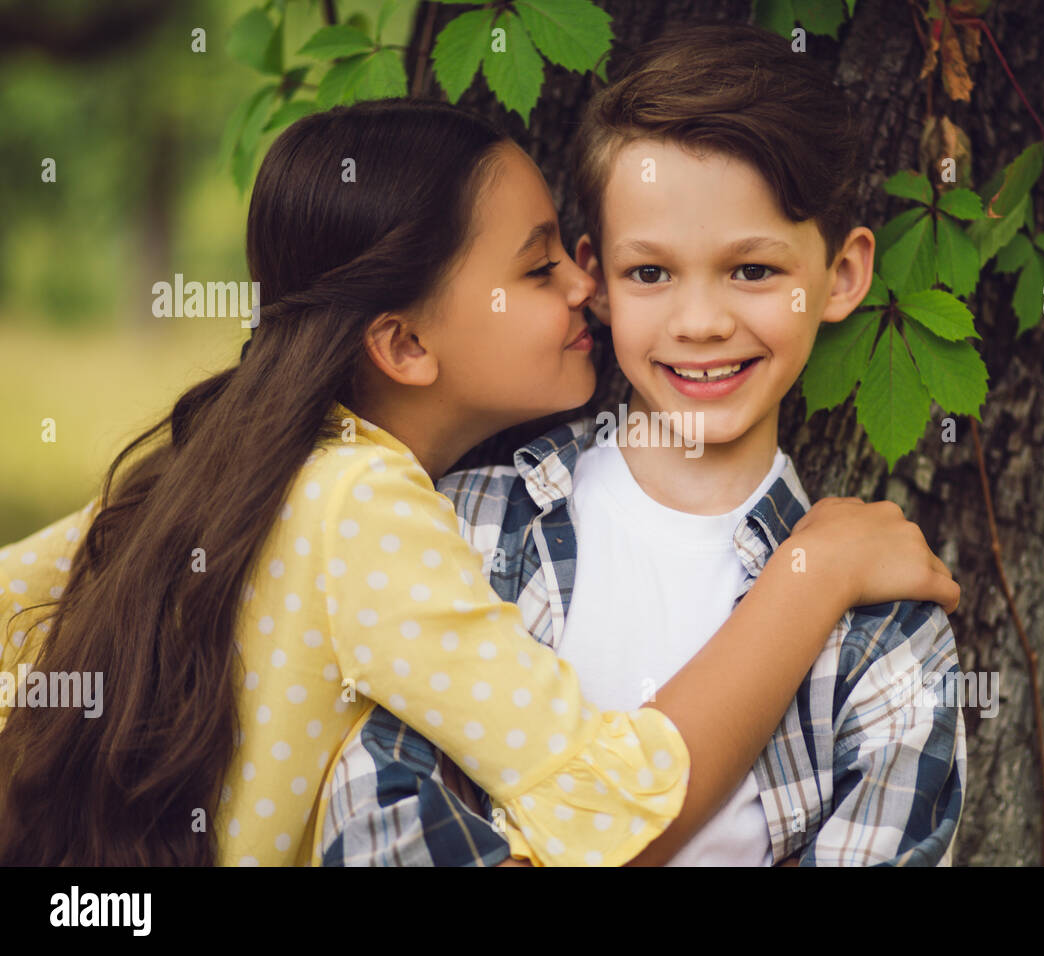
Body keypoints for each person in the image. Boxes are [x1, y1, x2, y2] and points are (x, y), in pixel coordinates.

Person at [0, 97, 957, 867]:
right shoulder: (382, 514)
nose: (586, 289)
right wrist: (814, 572)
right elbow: (606, 801)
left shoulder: (234, 468)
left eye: (748, 269)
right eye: (543, 269)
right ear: (406, 344)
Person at [322, 24, 966, 867]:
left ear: (842, 276)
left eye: (753, 271)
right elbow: (379, 844)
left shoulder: (886, 636)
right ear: (595, 277)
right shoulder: (463, 532)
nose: (700, 324)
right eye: (651, 274)